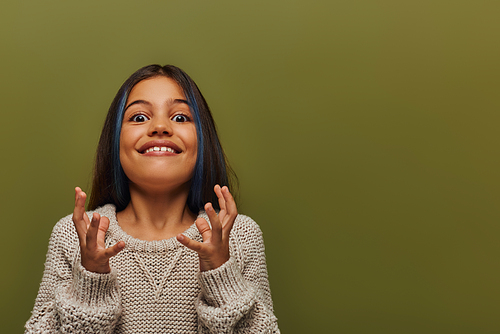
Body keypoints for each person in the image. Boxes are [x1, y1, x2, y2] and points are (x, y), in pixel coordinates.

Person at [25, 65, 280, 333]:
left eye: (181, 118)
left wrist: (221, 273)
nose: (160, 127)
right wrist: (91, 280)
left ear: (203, 140)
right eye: (138, 117)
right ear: (115, 141)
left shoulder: (238, 235)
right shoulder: (74, 235)